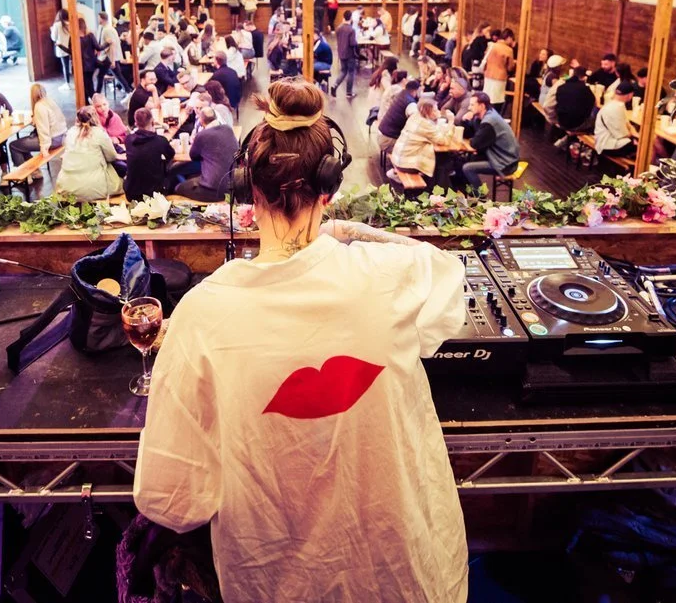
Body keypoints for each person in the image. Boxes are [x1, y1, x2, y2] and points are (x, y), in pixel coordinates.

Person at [134, 79, 469, 603]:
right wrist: (348, 232)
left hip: (275, 582)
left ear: (248, 192)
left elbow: (172, 500)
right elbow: (448, 274)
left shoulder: (201, 315)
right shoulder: (388, 276)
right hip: (400, 575)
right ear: (329, 191)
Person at [52, 108, 122, 200]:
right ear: (95, 117)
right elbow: (111, 157)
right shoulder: (99, 133)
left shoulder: (70, 132)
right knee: (118, 175)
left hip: (66, 186)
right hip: (95, 187)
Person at [459, 91, 520, 192]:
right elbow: (470, 134)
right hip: (498, 155)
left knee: (467, 168)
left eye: (472, 105)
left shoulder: (490, 121)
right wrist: (464, 120)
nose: (469, 108)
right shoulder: (483, 116)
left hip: (506, 162)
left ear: (482, 106)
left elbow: (475, 143)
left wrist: (474, 140)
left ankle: (481, 196)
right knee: (463, 160)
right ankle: (467, 191)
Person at [173, 105, 236, 202]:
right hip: (232, 185)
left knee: (177, 187)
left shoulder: (202, 135)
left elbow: (193, 156)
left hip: (212, 190)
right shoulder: (228, 129)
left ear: (201, 121)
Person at [123, 108, 174, 201]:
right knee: (171, 170)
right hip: (154, 194)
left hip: (131, 193)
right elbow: (170, 155)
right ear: (153, 122)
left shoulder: (128, 139)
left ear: (136, 123)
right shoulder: (160, 140)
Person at [10, 82, 68, 163]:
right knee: (23, 146)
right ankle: (33, 169)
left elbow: (43, 130)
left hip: (53, 140)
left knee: (14, 146)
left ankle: (23, 170)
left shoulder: (39, 106)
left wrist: (44, 148)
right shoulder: (50, 101)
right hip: (62, 136)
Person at [391, 96, 440, 183]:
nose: (438, 112)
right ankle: (431, 187)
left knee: (427, 147)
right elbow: (442, 140)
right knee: (436, 161)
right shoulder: (425, 124)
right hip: (405, 164)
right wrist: (450, 121)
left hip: (398, 157)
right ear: (428, 111)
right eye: (435, 110)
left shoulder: (415, 116)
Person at [375, 76, 421, 153]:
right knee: (419, 148)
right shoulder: (410, 104)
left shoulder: (401, 94)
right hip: (389, 141)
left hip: (382, 135)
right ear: (415, 91)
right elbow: (416, 122)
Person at [594, 81, 638, 161]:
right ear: (629, 95)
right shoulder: (616, 109)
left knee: (639, 143)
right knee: (643, 147)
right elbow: (622, 135)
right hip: (607, 146)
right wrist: (635, 136)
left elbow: (627, 124)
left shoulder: (614, 104)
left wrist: (633, 133)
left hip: (605, 141)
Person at [554, 69, 597, 146]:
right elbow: (592, 104)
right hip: (577, 125)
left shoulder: (561, 87)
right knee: (595, 118)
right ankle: (584, 147)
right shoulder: (585, 90)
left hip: (561, 121)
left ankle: (566, 139)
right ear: (584, 77)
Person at [481, 28, 516, 115]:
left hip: (488, 74)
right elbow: (510, 67)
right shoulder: (508, 50)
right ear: (509, 37)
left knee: (487, 98)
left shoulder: (491, 46)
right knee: (497, 100)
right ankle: (494, 116)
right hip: (500, 77)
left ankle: (485, 114)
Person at [331, 15, 358, 98]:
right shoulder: (352, 30)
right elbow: (352, 43)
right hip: (350, 54)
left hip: (341, 53)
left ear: (343, 18)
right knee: (351, 72)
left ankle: (335, 85)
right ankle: (349, 93)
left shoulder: (339, 28)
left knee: (343, 71)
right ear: (351, 18)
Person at [76, 17, 102, 97]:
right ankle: (93, 100)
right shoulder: (90, 36)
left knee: (84, 85)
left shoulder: (74, 38)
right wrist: (107, 43)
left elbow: (71, 52)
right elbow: (98, 48)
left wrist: (60, 46)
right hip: (91, 64)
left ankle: (90, 100)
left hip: (80, 65)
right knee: (89, 84)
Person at [51, 9, 72, 84]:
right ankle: (68, 82)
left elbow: (53, 38)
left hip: (60, 48)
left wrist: (51, 31)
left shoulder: (56, 25)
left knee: (65, 66)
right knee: (67, 65)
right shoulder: (69, 24)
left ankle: (67, 83)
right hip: (68, 48)